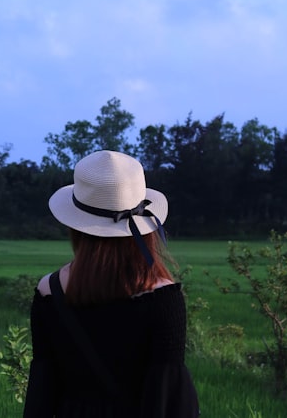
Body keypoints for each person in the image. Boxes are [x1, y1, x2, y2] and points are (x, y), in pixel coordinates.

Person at [23, 150, 199, 417]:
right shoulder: (163, 297)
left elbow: (42, 395)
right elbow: (169, 401)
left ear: (76, 225)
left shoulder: (49, 289)